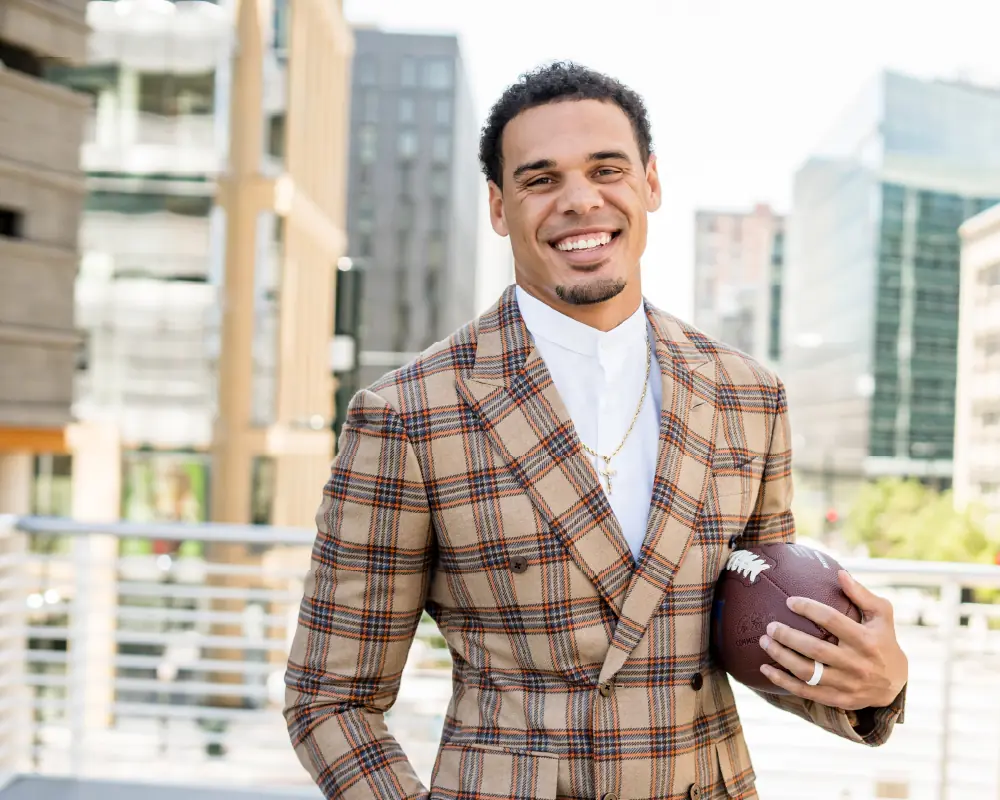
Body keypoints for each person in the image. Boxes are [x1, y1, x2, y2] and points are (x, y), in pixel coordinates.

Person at [284, 62, 908, 800]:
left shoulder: (748, 394)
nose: (580, 201)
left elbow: (750, 635)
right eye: (540, 179)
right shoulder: (409, 414)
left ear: (650, 183)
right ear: (498, 205)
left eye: (606, 169)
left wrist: (874, 684)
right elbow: (330, 698)